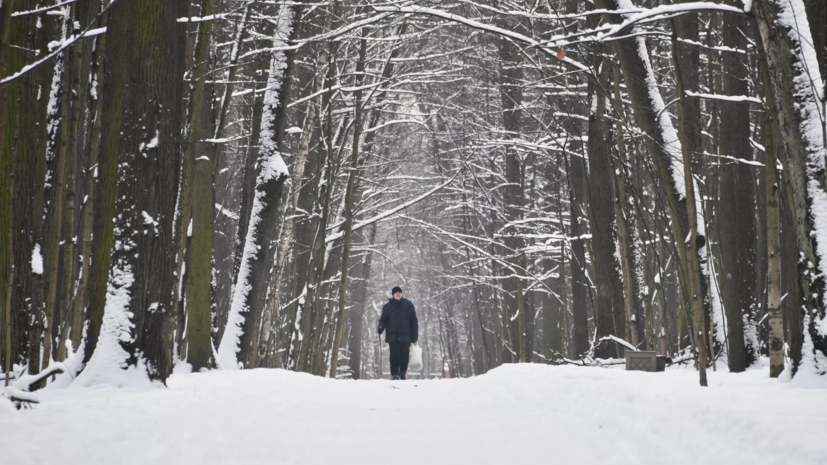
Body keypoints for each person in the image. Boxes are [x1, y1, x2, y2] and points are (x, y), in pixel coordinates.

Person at [378, 286, 418, 380]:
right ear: (393, 294)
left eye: (399, 292)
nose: (398, 294)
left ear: (401, 294)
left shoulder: (408, 305)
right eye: (396, 293)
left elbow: (414, 321)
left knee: (404, 355)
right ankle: (395, 374)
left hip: (406, 335)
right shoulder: (387, 307)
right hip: (393, 336)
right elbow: (383, 320)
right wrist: (380, 327)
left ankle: (402, 373)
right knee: (394, 355)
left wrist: (414, 335)